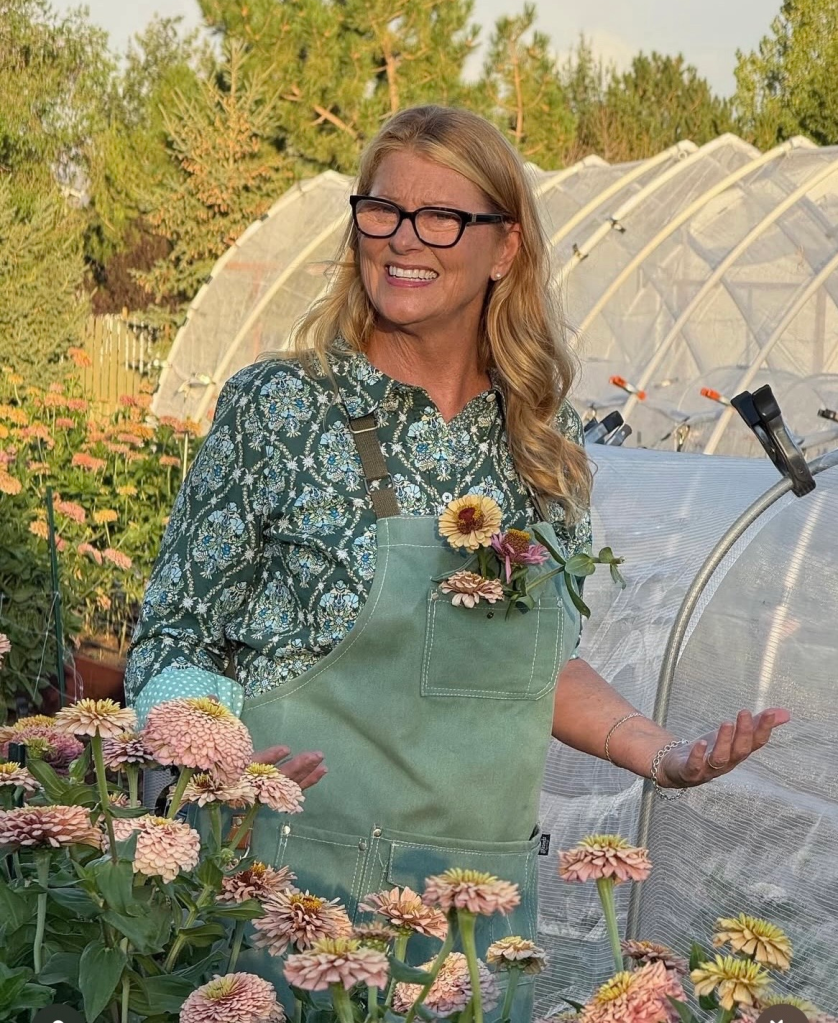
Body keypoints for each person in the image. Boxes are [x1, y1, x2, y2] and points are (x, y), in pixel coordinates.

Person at [125, 105, 789, 1018]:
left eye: (443, 217)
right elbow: (171, 636)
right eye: (382, 210)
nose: (405, 239)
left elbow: (531, 666)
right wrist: (217, 750)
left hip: (469, 930)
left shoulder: (538, 452)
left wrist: (662, 753)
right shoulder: (281, 406)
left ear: (504, 247)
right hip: (287, 899)